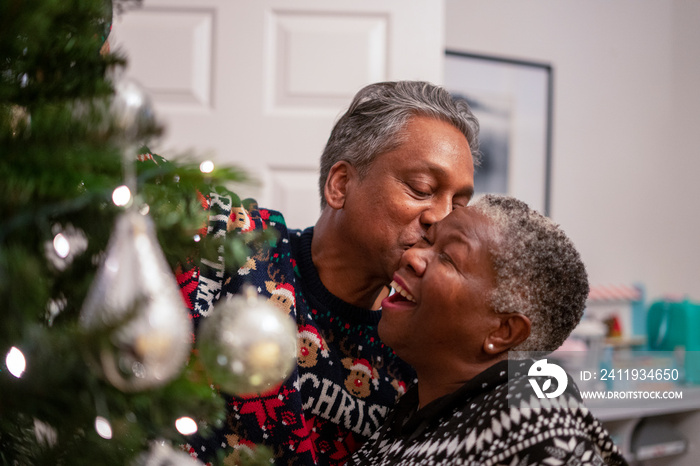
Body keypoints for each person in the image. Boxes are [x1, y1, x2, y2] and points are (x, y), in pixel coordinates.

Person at [169, 81, 480, 465]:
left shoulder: (417, 356)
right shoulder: (231, 240)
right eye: (421, 188)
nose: (440, 218)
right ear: (340, 184)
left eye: (458, 204)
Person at [348, 195, 628, 465]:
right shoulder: (414, 411)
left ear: (502, 331)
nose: (412, 256)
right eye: (427, 240)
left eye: (447, 258)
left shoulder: (536, 420)